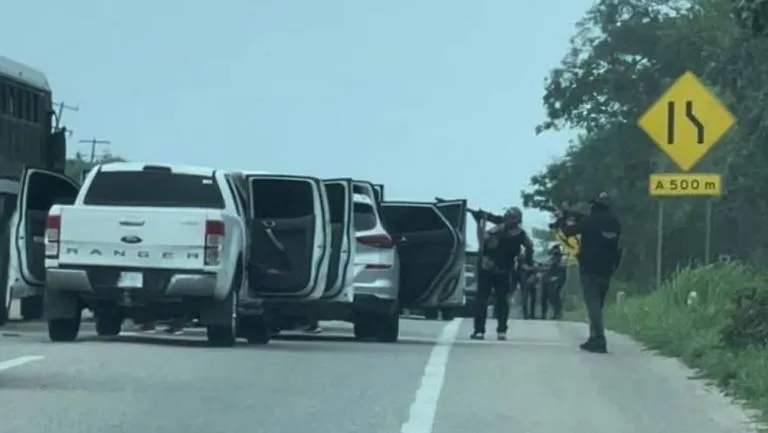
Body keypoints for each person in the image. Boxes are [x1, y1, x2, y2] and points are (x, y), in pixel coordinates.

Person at [555, 192, 621, 353]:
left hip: (589, 268)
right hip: (607, 268)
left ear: (594, 205)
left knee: (593, 305)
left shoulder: (589, 221)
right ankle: (594, 338)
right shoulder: (615, 222)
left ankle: (599, 339)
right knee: (598, 304)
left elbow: (568, 232)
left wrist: (563, 218)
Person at [471, 207, 534, 341]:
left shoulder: (520, 234)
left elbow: (529, 246)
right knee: (482, 300)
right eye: (509, 217)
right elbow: (483, 241)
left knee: (502, 301)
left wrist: (528, 263)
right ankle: (479, 330)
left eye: (514, 218)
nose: (511, 220)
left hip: (504, 270)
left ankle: (501, 330)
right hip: (487, 268)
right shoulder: (497, 230)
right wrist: (479, 222)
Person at [541, 245, 567, 320]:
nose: (554, 254)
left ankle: (557, 314)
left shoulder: (562, 260)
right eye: (553, 253)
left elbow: (562, 270)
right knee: (543, 297)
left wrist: (555, 262)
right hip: (547, 279)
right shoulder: (549, 259)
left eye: (556, 253)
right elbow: (545, 267)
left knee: (554, 297)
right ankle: (543, 314)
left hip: (557, 279)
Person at [518, 252, 539, 320]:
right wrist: (536, 268)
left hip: (531, 281)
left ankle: (531, 314)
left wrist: (535, 269)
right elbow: (526, 268)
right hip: (525, 281)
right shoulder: (522, 260)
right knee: (525, 298)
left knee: (532, 298)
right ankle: (525, 315)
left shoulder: (531, 260)